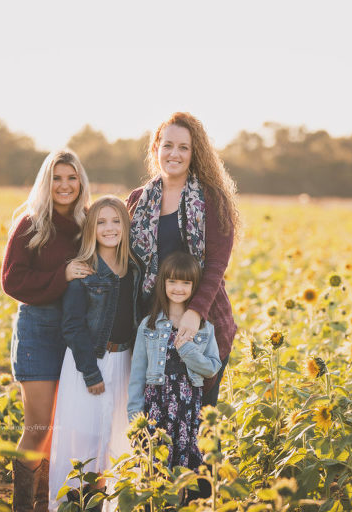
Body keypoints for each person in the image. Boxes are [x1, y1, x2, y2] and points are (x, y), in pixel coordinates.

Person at [1, 149, 93, 512]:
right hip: (38, 331)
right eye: (57, 178)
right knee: (39, 428)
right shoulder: (31, 223)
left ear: (81, 182)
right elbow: (12, 280)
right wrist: (62, 276)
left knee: (63, 425)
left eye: (72, 178)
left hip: (75, 335)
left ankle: (48, 504)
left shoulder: (88, 223)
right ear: (46, 182)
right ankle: (23, 506)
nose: (65, 185)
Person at [127, 112, 239, 407]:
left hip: (202, 328)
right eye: (167, 145)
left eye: (183, 147)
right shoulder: (138, 200)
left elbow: (216, 265)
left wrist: (195, 312)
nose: (174, 154)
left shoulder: (212, 199)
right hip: (153, 332)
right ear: (155, 149)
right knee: (156, 428)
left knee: (199, 430)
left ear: (194, 154)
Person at [48, 196, 142, 511]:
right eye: (101, 222)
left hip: (125, 361)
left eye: (116, 220)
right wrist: (90, 371)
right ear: (91, 228)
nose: (109, 228)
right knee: (85, 439)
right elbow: (73, 326)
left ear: (125, 226)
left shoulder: (135, 270)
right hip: (88, 364)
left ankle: (107, 505)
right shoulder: (84, 272)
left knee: (114, 439)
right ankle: (76, 505)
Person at [127, 252, 222, 470]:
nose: (178, 288)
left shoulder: (205, 328)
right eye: (172, 281)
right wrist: (134, 420)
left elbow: (212, 368)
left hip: (188, 411)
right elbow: (137, 376)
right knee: (155, 469)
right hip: (156, 409)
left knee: (185, 472)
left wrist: (187, 349)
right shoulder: (148, 325)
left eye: (185, 283)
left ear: (194, 286)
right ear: (163, 283)